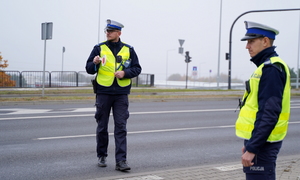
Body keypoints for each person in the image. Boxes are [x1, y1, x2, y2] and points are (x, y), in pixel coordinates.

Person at [235, 21, 291, 180]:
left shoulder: (270, 69)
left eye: (251, 41)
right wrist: (251, 144)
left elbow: (269, 113)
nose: (247, 46)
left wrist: (253, 148)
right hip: (262, 142)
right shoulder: (266, 67)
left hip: (264, 144)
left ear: (265, 41)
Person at [85, 19, 142, 171]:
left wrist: (125, 73)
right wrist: (95, 62)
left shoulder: (128, 49)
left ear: (119, 33)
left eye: (110, 31)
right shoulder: (99, 48)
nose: (107, 33)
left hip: (121, 94)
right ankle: (102, 155)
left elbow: (137, 68)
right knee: (102, 126)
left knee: (121, 127)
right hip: (103, 92)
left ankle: (121, 161)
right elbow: (89, 68)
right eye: (107, 31)